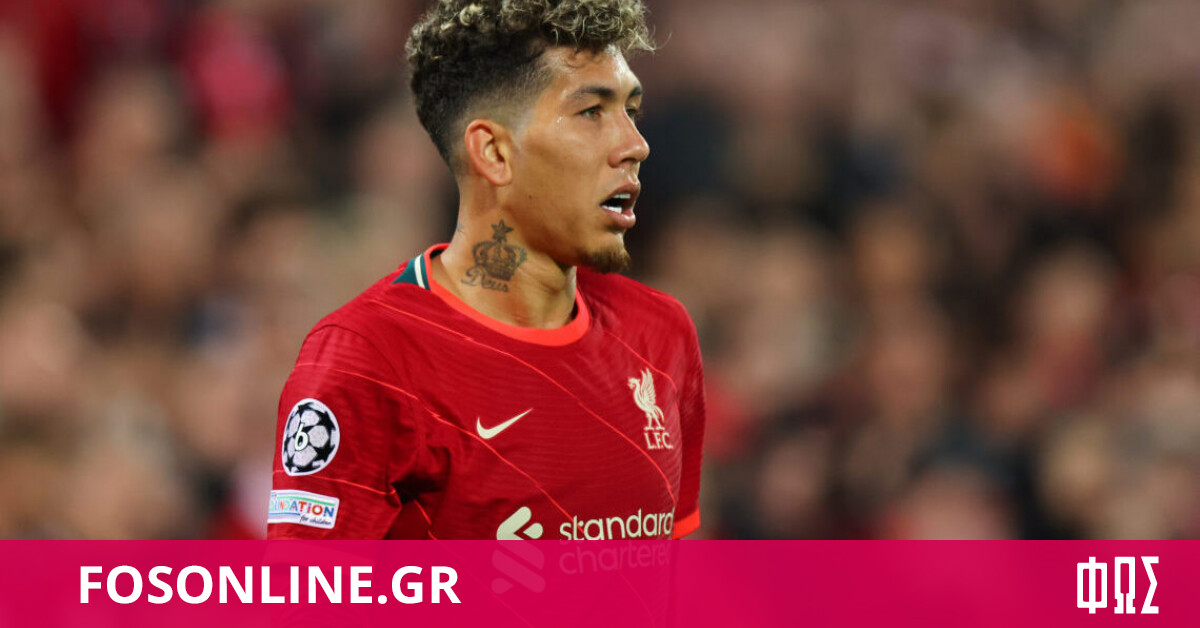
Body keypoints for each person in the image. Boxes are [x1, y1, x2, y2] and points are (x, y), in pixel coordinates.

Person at [268, 0, 706, 540]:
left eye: (630, 111)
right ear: (494, 153)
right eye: (592, 112)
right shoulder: (367, 360)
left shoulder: (662, 334)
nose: (635, 145)